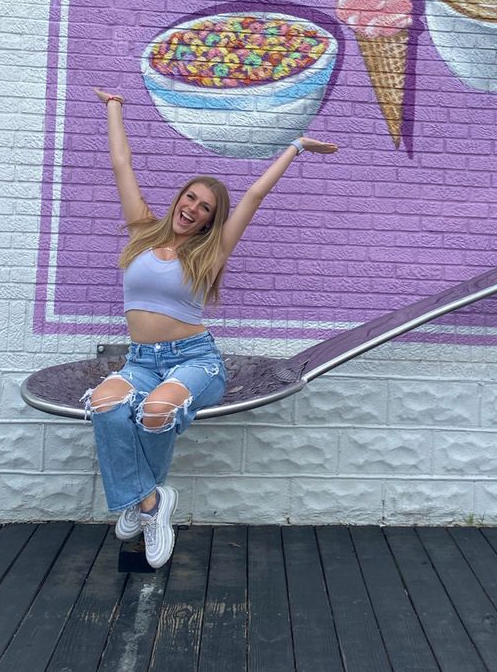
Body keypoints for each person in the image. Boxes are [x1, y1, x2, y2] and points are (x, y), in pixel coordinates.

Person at [83, 88, 338, 567]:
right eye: (190, 197)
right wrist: (114, 106)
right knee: (105, 405)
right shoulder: (142, 230)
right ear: (179, 198)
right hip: (142, 361)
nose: (193, 208)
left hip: (195, 361)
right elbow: (122, 164)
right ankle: (151, 503)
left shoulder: (212, 251)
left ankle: (141, 502)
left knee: (155, 414)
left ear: (209, 220)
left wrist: (296, 147)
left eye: (204, 207)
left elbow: (254, 196)